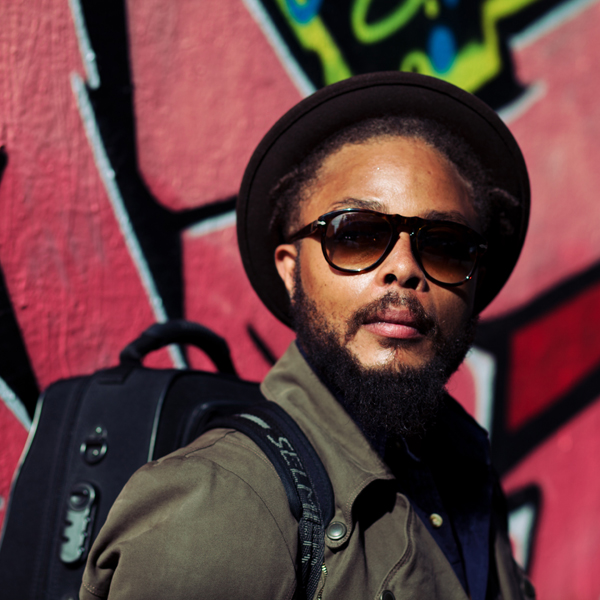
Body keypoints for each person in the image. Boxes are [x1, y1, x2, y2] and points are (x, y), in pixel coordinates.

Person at [81, 72, 534, 600]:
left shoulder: (466, 473)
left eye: (446, 245)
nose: (404, 268)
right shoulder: (219, 508)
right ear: (291, 269)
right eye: (356, 234)